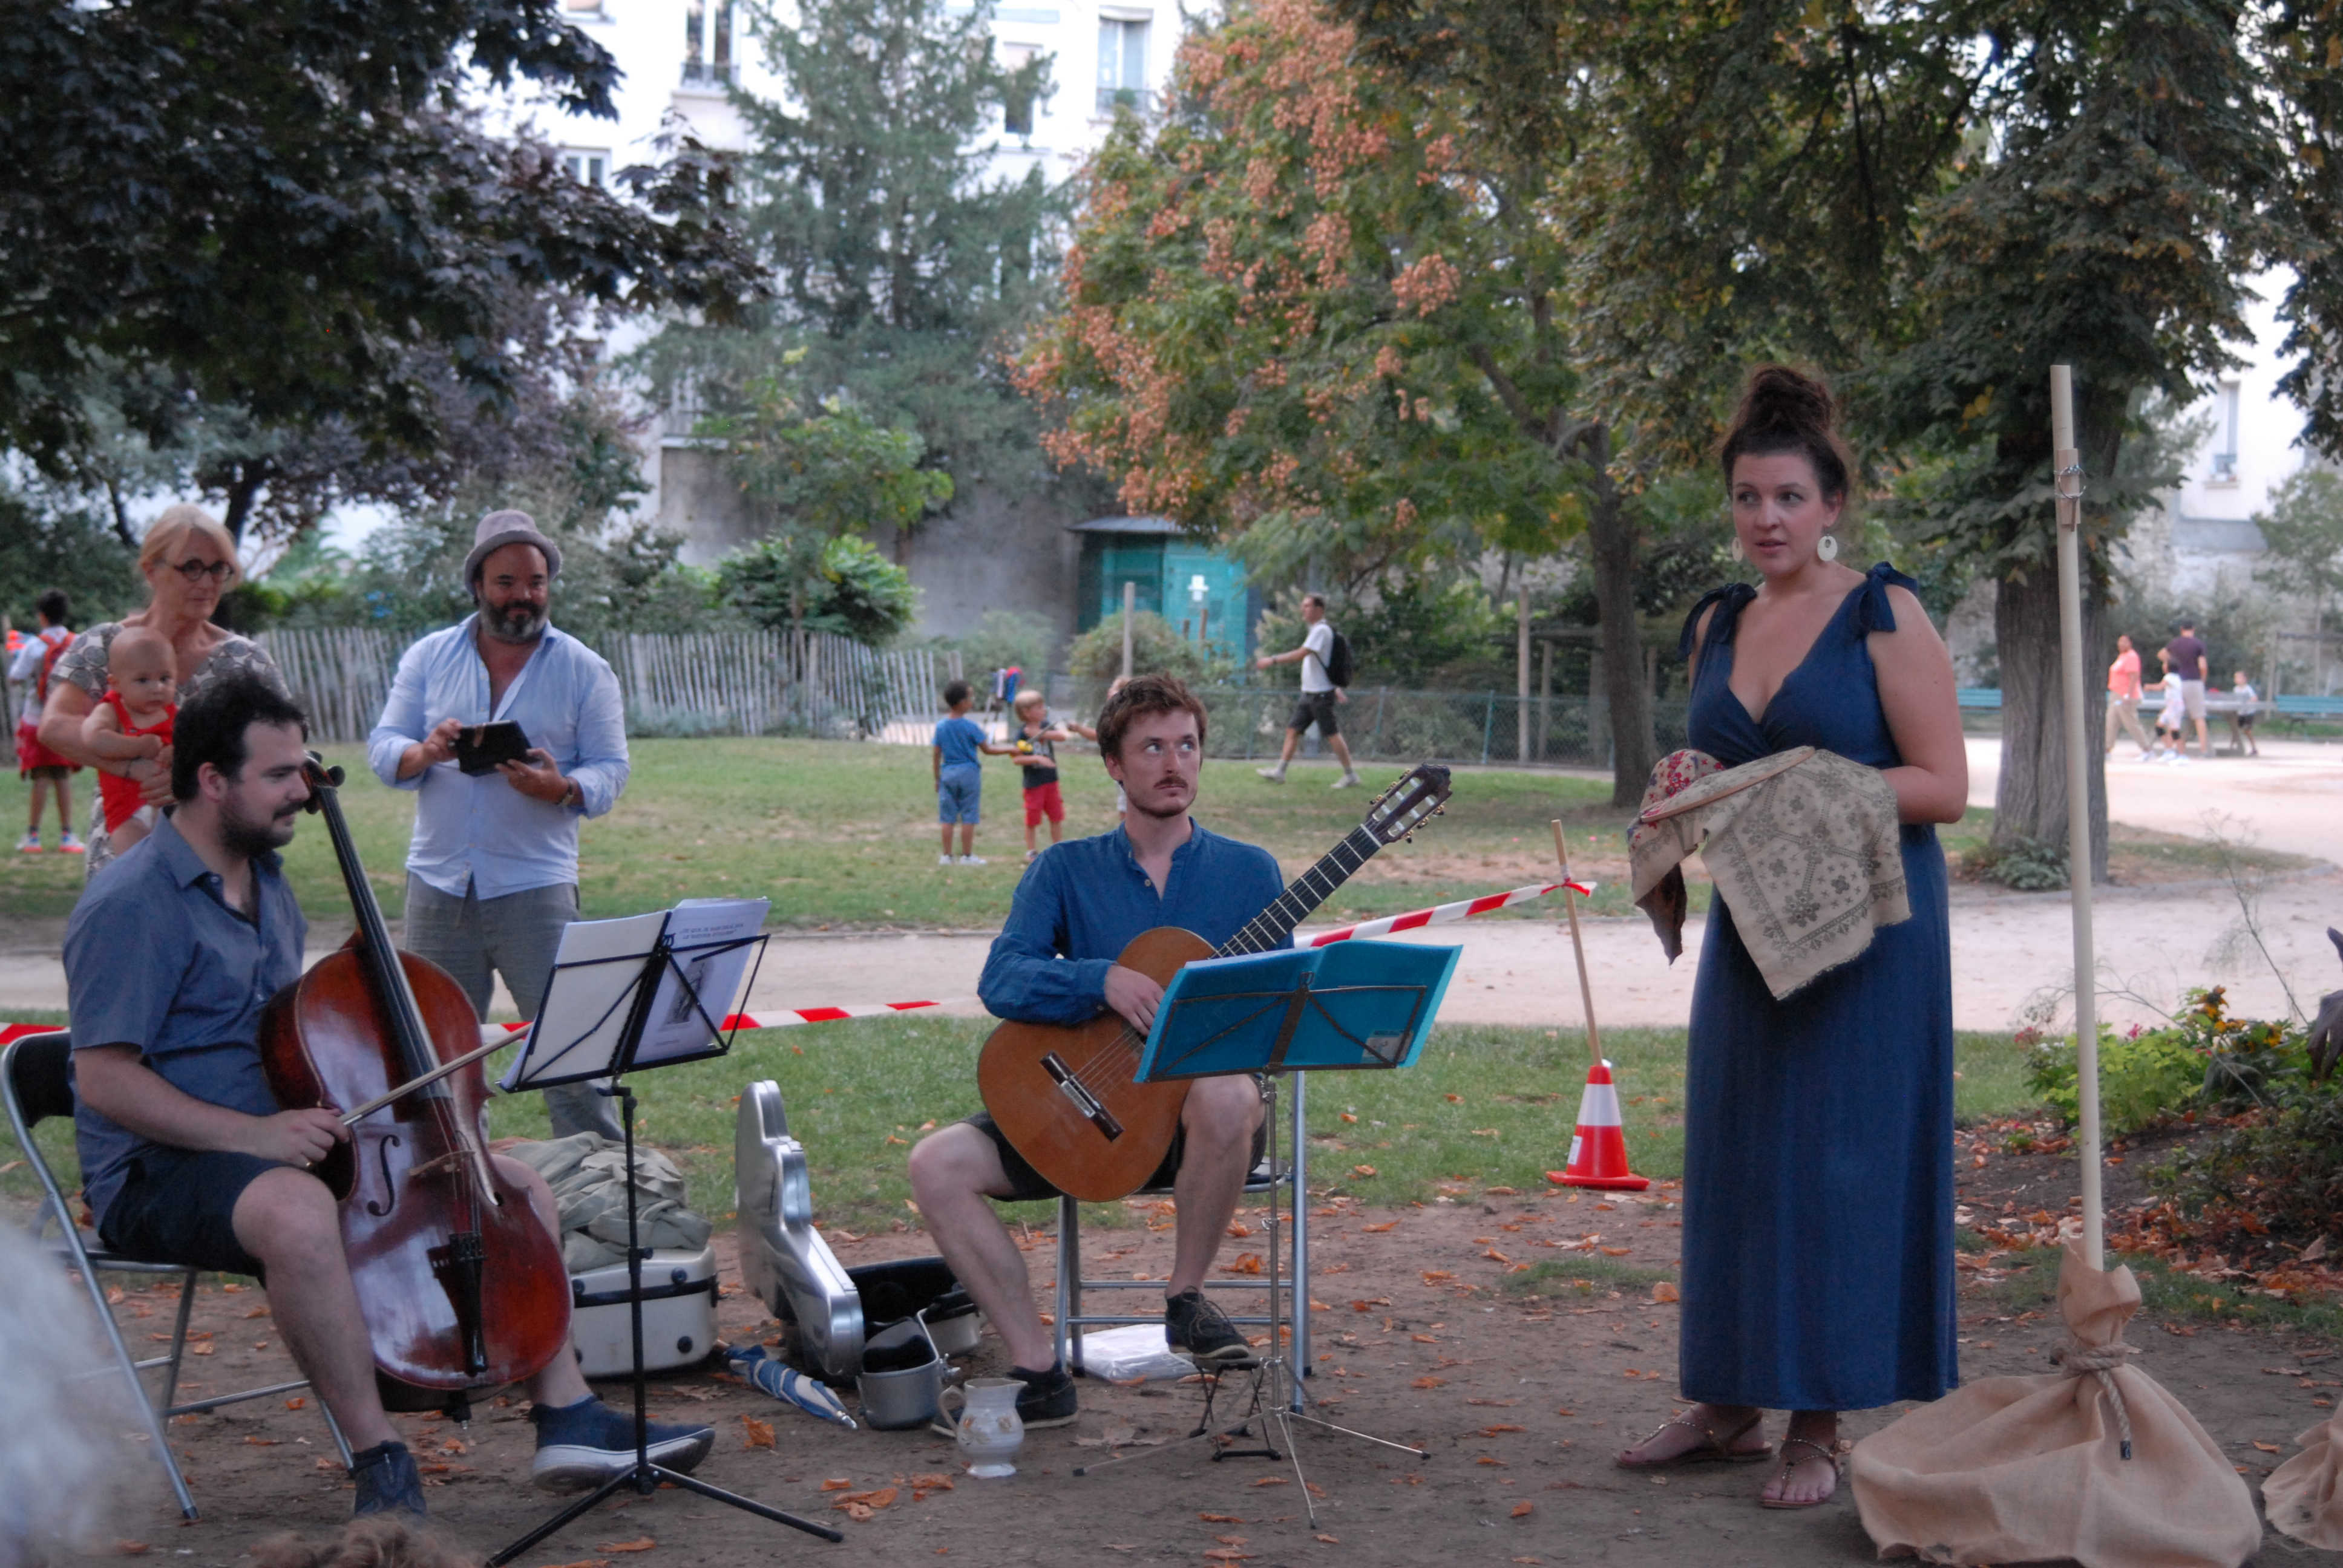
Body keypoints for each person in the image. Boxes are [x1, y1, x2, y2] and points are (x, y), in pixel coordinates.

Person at [62, 674, 711, 1521]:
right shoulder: (131, 903)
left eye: (305, 769)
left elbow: (275, 1029)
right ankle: (380, 1457)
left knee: (517, 1187)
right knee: (298, 1211)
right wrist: (253, 1139)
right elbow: (104, 1080)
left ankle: (569, 1415)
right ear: (213, 780)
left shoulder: (266, 883)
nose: (304, 790)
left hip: (280, 1135)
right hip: (162, 1168)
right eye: (280, 774)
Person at [1615, 367, 1966, 1509]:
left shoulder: (1883, 613)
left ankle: (1817, 1421)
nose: (1764, 518)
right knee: (1738, 1160)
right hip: (1751, 931)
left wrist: (1799, 787)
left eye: (1786, 498)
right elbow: (1723, 771)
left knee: (1836, 1166)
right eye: (1746, 498)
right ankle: (1726, 1402)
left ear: (1830, 508)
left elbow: (1944, 786)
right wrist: (1686, 794)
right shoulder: (1716, 618)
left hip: (1870, 937)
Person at [906, 675, 1280, 1429]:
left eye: (1187, 745)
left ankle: (1185, 1301)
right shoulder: (1063, 869)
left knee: (1227, 1092)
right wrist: (1098, 981)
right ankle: (1037, 1370)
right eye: (1152, 747)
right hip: (1086, 1113)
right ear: (1112, 763)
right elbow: (1002, 977)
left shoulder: (1250, 874)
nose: (1173, 763)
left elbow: (1275, 1012)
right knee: (935, 1166)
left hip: (1203, 1132)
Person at [366, 511, 629, 1142]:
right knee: (439, 1058)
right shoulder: (429, 657)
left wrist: (561, 787)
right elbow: (381, 747)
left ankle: (599, 1194)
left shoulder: (582, 668)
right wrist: (425, 752)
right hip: (439, 885)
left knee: (571, 1056)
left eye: (535, 582)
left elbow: (612, 770)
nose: (523, 597)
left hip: (534, 886)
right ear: (478, 584)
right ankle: (457, 1193)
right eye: (507, 581)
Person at [38, 506, 285, 878]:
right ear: (151, 570)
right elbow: (55, 727)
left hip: (222, 864)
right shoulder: (105, 644)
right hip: (124, 859)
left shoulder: (246, 661)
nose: (207, 582)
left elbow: (285, 755)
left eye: (219, 568)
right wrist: (132, 767)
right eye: (192, 567)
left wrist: (190, 780)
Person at [79, 626, 178, 853]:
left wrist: (175, 752)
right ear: (116, 684)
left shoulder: (175, 715)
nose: (157, 688)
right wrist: (138, 746)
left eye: (165, 678)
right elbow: (92, 738)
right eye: (143, 680)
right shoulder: (113, 709)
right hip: (126, 814)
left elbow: (195, 748)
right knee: (138, 861)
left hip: (171, 809)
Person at [1254, 593, 1360, 789]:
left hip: (1320, 695)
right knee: (1293, 730)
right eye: (1303, 606)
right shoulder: (1317, 630)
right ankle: (1280, 772)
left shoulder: (1321, 631)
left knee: (1332, 734)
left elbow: (1302, 654)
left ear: (1319, 610)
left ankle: (1351, 775)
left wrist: (1272, 660)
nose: (1303, 610)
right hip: (1310, 693)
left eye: (1308, 606)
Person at [10, 589, 83, 854]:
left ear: (41, 616)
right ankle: (68, 837)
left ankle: (33, 837)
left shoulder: (35, 645)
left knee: (40, 776)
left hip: (36, 719)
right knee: (63, 776)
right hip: (66, 717)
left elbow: (16, 676)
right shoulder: (77, 642)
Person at [1006, 688, 1080, 860]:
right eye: (1039, 707)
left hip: (1051, 782)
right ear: (1026, 712)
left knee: (1056, 816)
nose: (1044, 710)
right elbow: (1016, 759)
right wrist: (1037, 759)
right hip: (1034, 784)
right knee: (1032, 818)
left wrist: (1042, 733)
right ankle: (1032, 852)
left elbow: (1061, 737)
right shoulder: (1021, 734)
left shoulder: (1045, 726)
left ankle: (1058, 848)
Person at [931, 679, 990, 866]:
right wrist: (1011, 750)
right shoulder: (971, 727)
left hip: (947, 774)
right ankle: (967, 856)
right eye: (970, 697)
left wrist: (937, 778)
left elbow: (936, 754)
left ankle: (947, 856)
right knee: (969, 815)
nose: (972, 700)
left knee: (947, 818)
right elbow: (988, 749)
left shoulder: (941, 727)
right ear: (962, 702)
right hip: (969, 775)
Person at [2163, 617, 2212, 759]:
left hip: (2177, 682)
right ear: (2194, 629)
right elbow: (2203, 666)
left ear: (2181, 629)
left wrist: (2168, 671)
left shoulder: (2174, 644)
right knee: (2199, 717)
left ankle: (2169, 749)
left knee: (2173, 715)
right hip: (2194, 682)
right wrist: (2202, 681)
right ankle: (2204, 750)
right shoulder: (2198, 645)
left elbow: (2163, 658)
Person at [2104, 633, 2152, 759]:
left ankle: (2146, 749)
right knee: (2111, 722)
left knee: (2131, 723)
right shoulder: (2122, 656)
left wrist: (2128, 695)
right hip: (2115, 694)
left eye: (2125, 641)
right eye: (2120, 641)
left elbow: (2134, 677)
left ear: (2130, 643)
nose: (2121, 644)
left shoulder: (2132, 657)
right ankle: (2107, 749)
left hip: (2125, 695)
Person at [2152, 655, 2189, 763]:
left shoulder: (2169, 677)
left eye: (2165, 664)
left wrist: (2148, 687)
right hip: (2171, 707)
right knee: (2159, 727)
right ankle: (2169, 751)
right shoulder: (2177, 678)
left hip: (2175, 707)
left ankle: (2182, 756)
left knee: (2175, 731)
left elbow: (2160, 687)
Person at [2229, 669, 2261, 757]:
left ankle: (2254, 748)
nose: (2237, 679)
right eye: (2236, 678)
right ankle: (2232, 748)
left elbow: (2255, 698)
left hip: (2248, 713)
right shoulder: (2235, 689)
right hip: (2240, 713)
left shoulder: (2248, 689)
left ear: (2245, 679)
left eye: (2239, 677)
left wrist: (2247, 703)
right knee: (2235, 729)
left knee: (2247, 731)